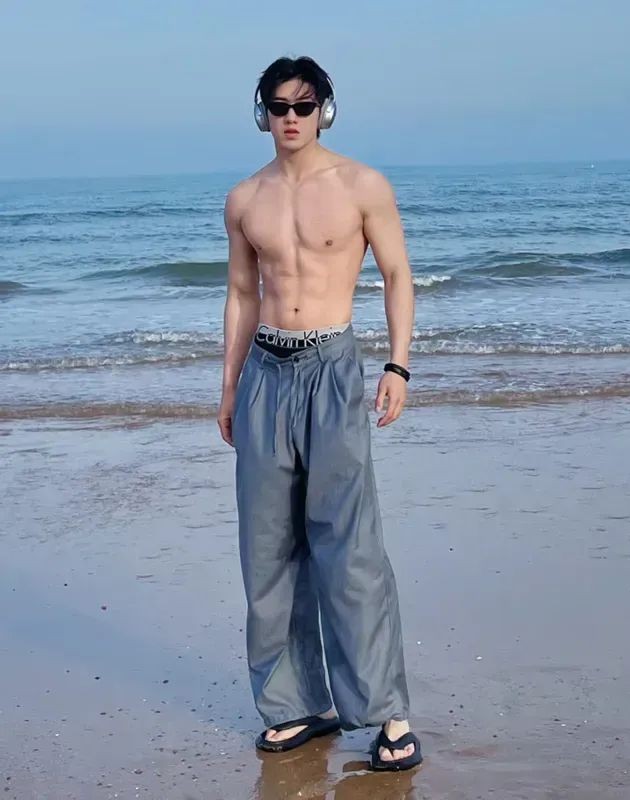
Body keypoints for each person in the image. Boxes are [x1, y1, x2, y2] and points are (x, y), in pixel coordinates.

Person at [218, 55, 421, 772]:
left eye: (303, 106)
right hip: (265, 374)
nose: (291, 118)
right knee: (268, 547)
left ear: (324, 111)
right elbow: (242, 294)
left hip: (332, 368)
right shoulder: (245, 199)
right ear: (263, 114)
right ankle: (294, 704)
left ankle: (387, 712)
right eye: (279, 107)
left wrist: (398, 364)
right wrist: (229, 387)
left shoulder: (363, 185)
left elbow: (396, 274)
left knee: (349, 543)